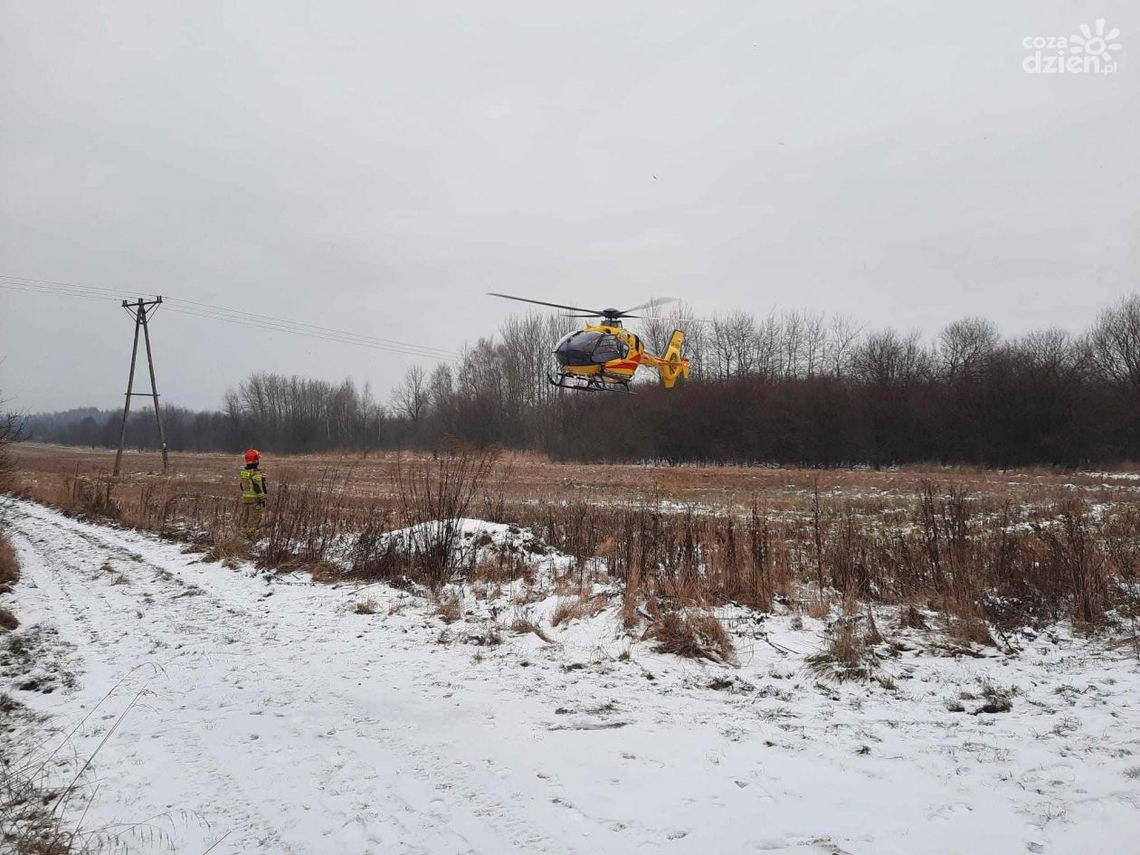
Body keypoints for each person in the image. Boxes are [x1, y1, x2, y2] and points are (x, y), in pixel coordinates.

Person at [239, 448, 268, 535]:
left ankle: (242, 533)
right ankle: (250, 534)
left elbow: (241, 485)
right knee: (255, 517)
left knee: (245, 517)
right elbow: (257, 486)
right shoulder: (255, 473)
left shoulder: (244, 472)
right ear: (255, 460)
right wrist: (262, 498)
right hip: (254, 500)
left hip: (245, 500)